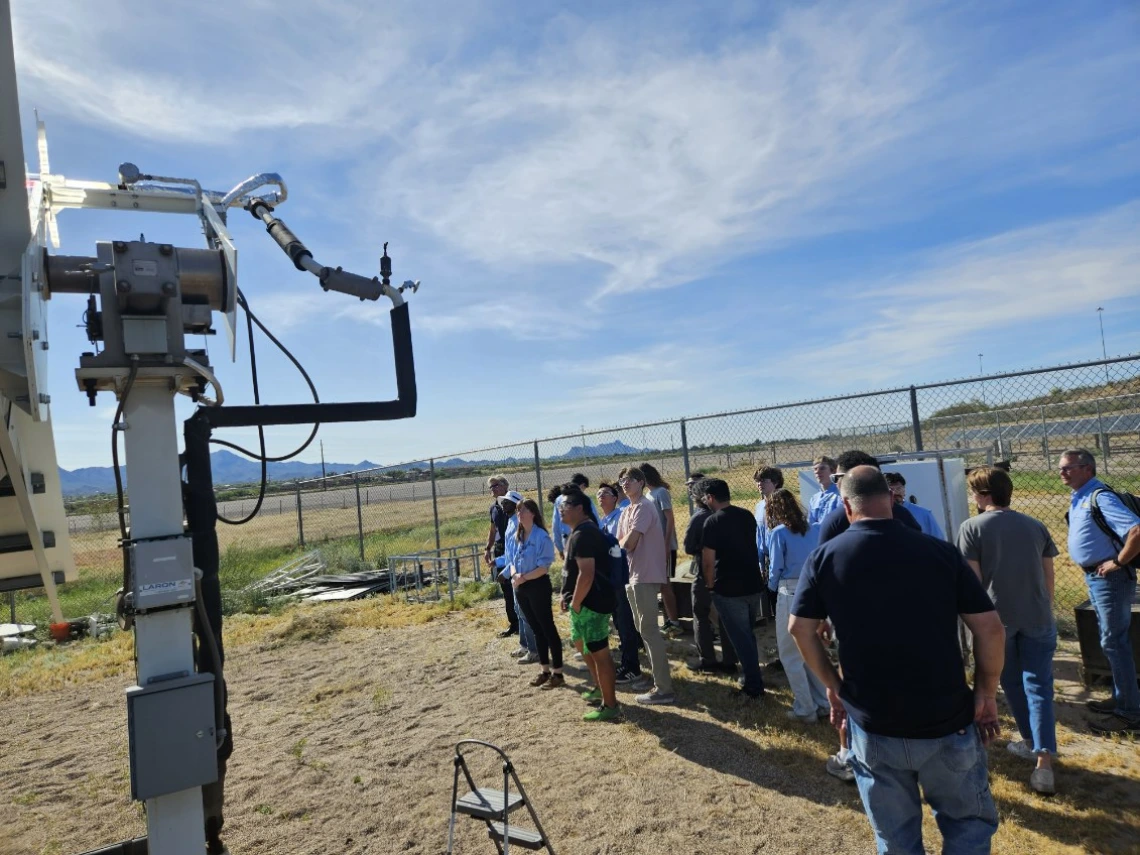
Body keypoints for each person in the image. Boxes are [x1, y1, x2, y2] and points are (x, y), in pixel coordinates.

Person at [789, 466, 1005, 855]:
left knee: (896, 838)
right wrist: (986, 692)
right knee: (967, 827)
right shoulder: (940, 552)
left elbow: (799, 629)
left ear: (845, 506)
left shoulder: (824, 558)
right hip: (947, 720)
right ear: (890, 498)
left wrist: (835, 688)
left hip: (874, 726)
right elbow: (990, 628)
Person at [816, 450, 922, 781]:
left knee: (851, 689)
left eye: (838, 479)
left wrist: (822, 617)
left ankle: (850, 755)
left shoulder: (836, 520)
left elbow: (823, 572)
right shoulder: (905, 517)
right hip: (905, 620)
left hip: (855, 625)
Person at [956, 466, 1059, 794]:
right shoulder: (1035, 525)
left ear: (985, 495)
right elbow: (1049, 578)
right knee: (1039, 686)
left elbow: (971, 585)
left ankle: (1030, 742)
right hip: (1038, 617)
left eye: (974, 491)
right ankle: (1043, 762)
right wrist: (1044, 611)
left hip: (995, 622)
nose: (973, 497)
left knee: (1009, 680)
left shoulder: (971, 528)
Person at [1059, 448, 1140, 735]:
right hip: (1097, 578)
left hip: (1110, 580)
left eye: (1068, 468)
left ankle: (1130, 713)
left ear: (1087, 469)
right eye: (1061, 468)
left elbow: (1136, 530)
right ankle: (1123, 699)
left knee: (1114, 642)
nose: (1062, 472)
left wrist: (1118, 561)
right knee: (1112, 641)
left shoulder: (1100, 496)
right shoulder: (1081, 495)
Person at [700, 478, 766, 700]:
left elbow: (708, 561)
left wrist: (709, 586)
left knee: (741, 638)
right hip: (753, 584)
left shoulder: (712, 522)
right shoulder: (746, 515)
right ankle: (750, 677)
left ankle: (753, 688)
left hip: (729, 589)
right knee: (748, 635)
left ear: (711, 498)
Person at [558, 488, 621, 722]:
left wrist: (574, 602)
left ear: (580, 509)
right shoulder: (580, 533)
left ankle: (610, 705)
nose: (561, 510)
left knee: (600, 653)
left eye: (566, 505)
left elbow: (587, 574)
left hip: (590, 605)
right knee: (584, 646)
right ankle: (599, 688)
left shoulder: (584, 535)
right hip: (583, 604)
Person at [766, 489, 827, 721]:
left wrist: (771, 589)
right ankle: (822, 703)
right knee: (812, 650)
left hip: (790, 591)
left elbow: (776, 569)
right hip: (814, 589)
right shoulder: (816, 528)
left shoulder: (778, 532)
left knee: (790, 655)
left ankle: (805, 708)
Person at [617, 466, 675, 705]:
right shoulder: (627, 510)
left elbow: (627, 544)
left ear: (641, 482)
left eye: (629, 479)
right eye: (622, 480)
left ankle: (663, 689)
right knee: (645, 630)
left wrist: (624, 541)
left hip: (645, 575)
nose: (624, 483)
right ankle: (657, 682)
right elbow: (619, 541)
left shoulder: (644, 507)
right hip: (633, 575)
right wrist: (623, 541)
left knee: (649, 631)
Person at [510, 499, 564, 689]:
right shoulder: (518, 536)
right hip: (521, 586)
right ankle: (544, 670)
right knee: (536, 629)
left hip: (537, 586)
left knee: (547, 628)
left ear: (533, 513)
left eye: (523, 510)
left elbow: (543, 567)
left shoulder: (541, 536)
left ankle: (558, 673)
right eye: (518, 511)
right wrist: (515, 575)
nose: (519, 514)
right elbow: (511, 562)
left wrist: (523, 578)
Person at [687, 476, 737, 675]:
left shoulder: (699, 518)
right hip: (726, 571)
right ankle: (729, 660)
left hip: (703, 571)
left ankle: (707, 660)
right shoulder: (728, 514)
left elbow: (689, 546)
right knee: (725, 617)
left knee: (700, 615)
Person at [598, 481, 643, 684]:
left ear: (615, 498)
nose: (601, 496)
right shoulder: (602, 521)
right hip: (608, 578)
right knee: (618, 621)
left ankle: (632, 667)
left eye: (606, 493)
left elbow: (619, 547)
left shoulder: (619, 516)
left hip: (619, 577)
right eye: (599, 494)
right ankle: (627, 658)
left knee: (625, 621)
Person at [495, 491, 540, 663]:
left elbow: (517, 555)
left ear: (516, 505)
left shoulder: (517, 524)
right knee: (519, 610)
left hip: (521, 573)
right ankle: (525, 645)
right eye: (503, 502)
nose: (503, 505)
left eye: (507, 502)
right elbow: (510, 553)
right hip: (515, 572)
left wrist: (505, 571)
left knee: (525, 612)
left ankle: (533, 649)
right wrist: (498, 562)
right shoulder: (512, 523)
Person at [641, 462, 683, 635]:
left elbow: (670, 519)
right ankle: (669, 620)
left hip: (666, 547)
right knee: (661, 585)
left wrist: (666, 545)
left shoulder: (661, 492)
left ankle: (675, 622)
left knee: (666, 585)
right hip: (653, 547)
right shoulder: (648, 494)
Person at [484, 475, 517, 638]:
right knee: (505, 588)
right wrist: (487, 548)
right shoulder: (493, 509)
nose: (493, 489)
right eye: (490, 487)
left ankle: (525, 623)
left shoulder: (513, 504)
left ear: (505, 486)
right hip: (500, 551)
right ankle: (514, 624)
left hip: (514, 550)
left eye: (495, 485)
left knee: (517, 586)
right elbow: (492, 530)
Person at [884, 471, 946, 540]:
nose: (895, 492)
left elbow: (939, 541)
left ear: (904, 489)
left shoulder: (924, 514)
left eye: (899, 488)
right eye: (891, 489)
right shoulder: (879, 516)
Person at [552, 474, 595, 559]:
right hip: (586, 541)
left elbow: (555, 526)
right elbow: (595, 519)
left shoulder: (559, 499)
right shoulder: (584, 499)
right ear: (582, 485)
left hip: (566, 541)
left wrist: (560, 548)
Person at [808, 456, 843, 525]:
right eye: (815, 469)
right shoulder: (814, 498)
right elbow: (810, 524)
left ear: (833, 471)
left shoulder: (840, 495)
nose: (817, 472)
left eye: (822, 468)